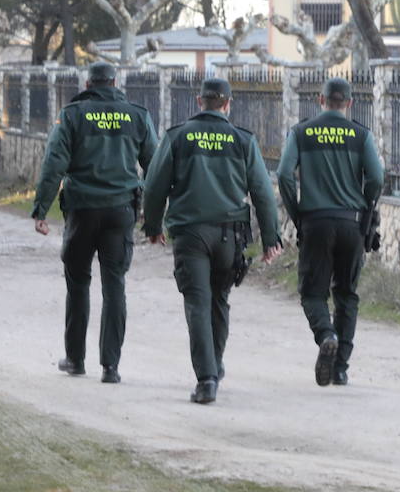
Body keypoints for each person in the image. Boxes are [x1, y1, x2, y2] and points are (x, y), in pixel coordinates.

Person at [142, 77, 283, 404]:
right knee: (219, 300)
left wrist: (152, 226)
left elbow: (154, 186)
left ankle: (206, 379)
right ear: (228, 104)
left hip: (190, 235)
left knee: (197, 303)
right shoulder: (242, 140)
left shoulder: (178, 137)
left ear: (198, 100)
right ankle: (214, 365)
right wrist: (271, 239)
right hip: (229, 236)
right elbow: (262, 192)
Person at [31, 62, 157, 383]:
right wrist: (155, 219)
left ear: (88, 83)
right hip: (121, 210)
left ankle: (75, 359)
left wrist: (41, 209)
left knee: (78, 283)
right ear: (115, 82)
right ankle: (110, 367)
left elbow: (54, 163)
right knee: (115, 286)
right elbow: (155, 168)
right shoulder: (137, 115)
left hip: (82, 210)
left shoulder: (73, 115)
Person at [278, 77, 385, 387]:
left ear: (320, 100)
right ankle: (340, 368)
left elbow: (284, 175)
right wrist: (365, 207)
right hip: (352, 224)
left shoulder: (301, 132)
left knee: (312, 292)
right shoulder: (361, 135)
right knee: (347, 294)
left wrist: (297, 214)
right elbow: (376, 178)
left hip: (315, 221)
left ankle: (326, 335)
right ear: (349, 103)